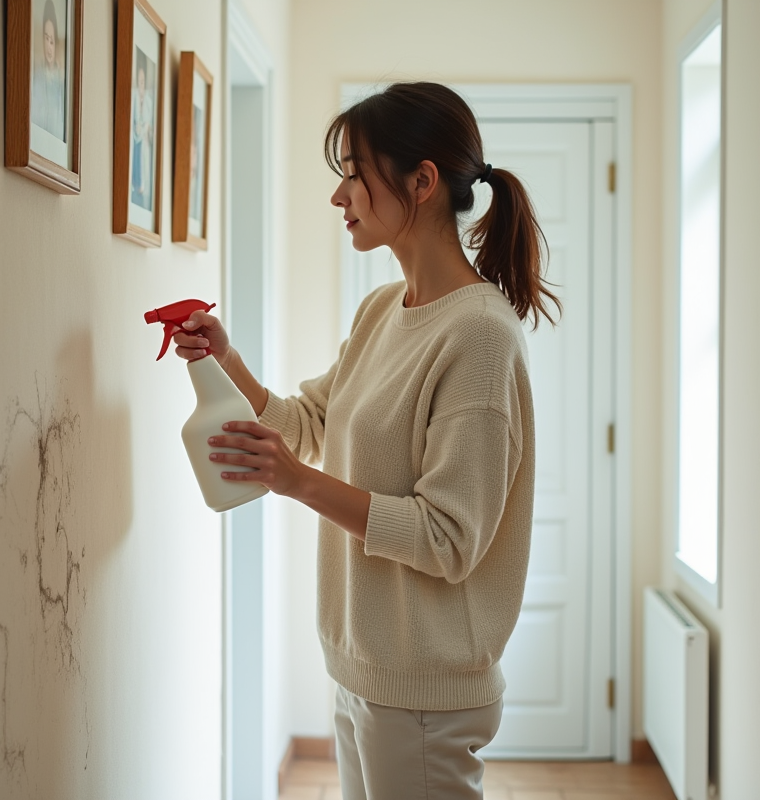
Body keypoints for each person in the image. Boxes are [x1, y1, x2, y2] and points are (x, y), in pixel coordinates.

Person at [173, 82, 559, 800]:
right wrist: (226, 360)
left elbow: (447, 537)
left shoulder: (478, 336)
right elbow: (309, 425)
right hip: (364, 669)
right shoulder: (384, 307)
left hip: (425, 695)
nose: (338, 195)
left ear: (422, 181)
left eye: (353, 172)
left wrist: (299, 483)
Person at [31, 0, 65, 140]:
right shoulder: (36, 77)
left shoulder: (61, 84)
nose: (49, 47)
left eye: (52, 41)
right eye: (46, 39)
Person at [131, 59, 155, 209]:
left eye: (143, 82)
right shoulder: (134, 99)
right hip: (135, 140)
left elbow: (150, 127)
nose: (141, 86)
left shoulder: (148, 102)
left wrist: (146, 128)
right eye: (139, 82)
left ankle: (141, 187)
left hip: (144, 141)